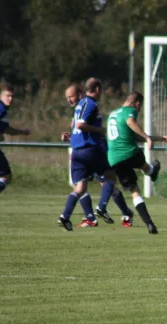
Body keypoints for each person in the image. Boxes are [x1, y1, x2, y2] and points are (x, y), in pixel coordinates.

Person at [61, 84, 134, 227]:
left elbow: (85, 127)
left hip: (96, 149)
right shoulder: (80, 108)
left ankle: (122, 212)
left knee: (105, 183)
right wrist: (70, 137)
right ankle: (93, 216)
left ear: (79, 94)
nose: (69, 100)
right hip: (87, 150)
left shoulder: (87, 105)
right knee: (94, 183)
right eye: (67, 97)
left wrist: (100, 132)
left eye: (71, 96)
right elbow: (80, 129)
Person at [106, 92, 167, 234]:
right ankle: (152, 171)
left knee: (135, 192)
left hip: (114, 159)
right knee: (142, 163)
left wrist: (159, 138)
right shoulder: (130, 111)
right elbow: (131, 122)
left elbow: (133, 136)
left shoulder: (113, 114)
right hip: (129, 152)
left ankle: (150, 225)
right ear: (137, 103)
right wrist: (147, 138)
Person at [58, 78, 116, 230]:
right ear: (97, 89)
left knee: (80, 188)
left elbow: (77, 128)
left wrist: (70, 137)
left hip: (76, 151)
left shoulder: (79, 106)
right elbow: (80, 125)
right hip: (89, 150)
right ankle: (101, 208)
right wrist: (101, 131)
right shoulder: (89, 103)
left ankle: (65, 216)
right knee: (110, 176)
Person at [0, 84, 31, 202]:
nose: (10, 99)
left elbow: (6, 129)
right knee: (6, 176)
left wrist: (22, 132)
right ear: (1, 96)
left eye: (12, 96)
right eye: (7, 96)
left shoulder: (3, 111)